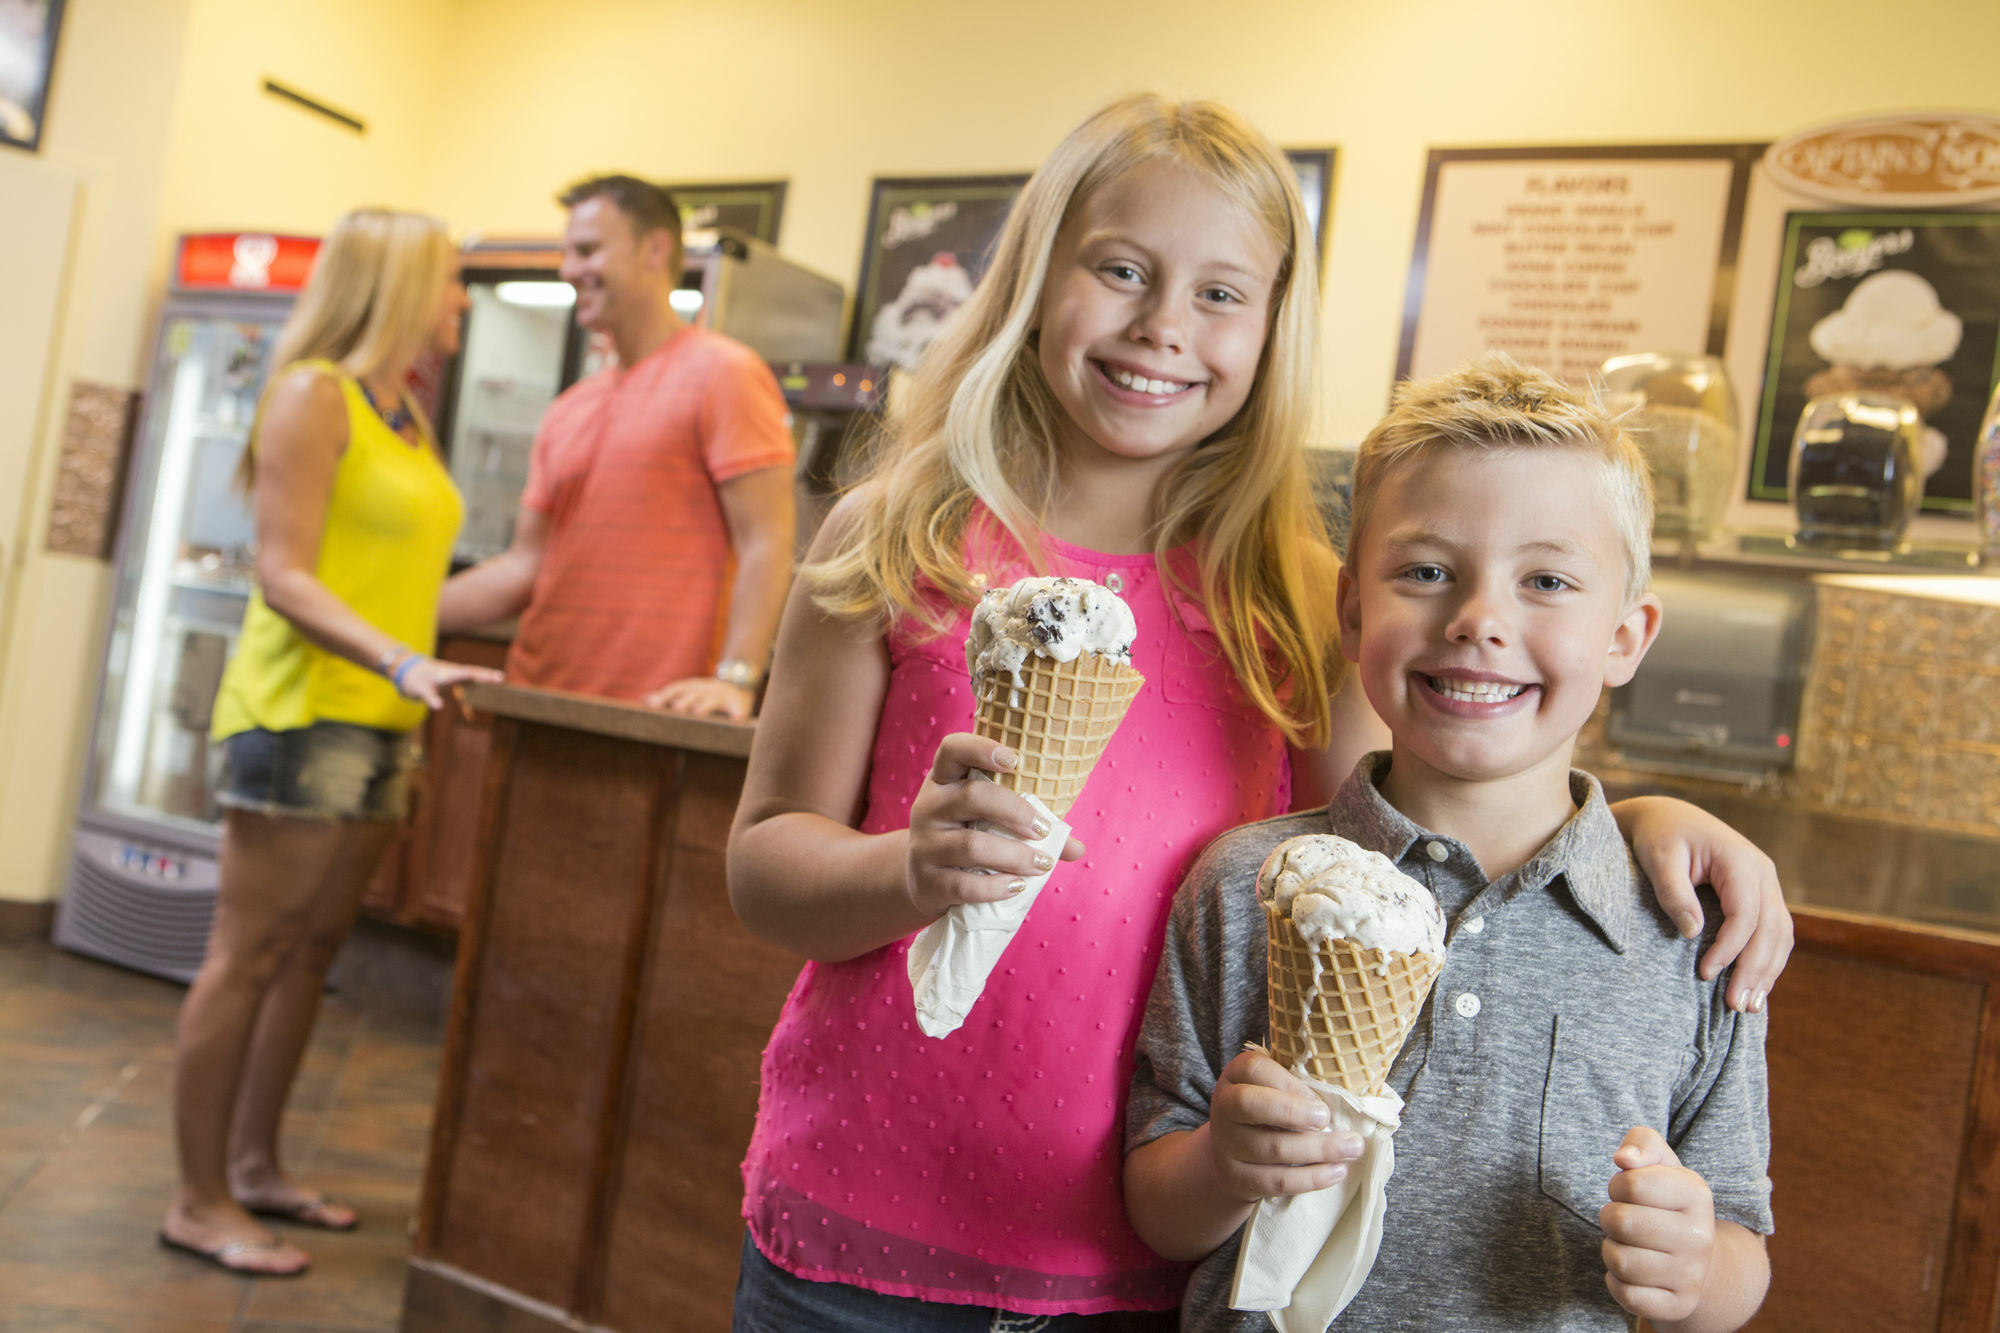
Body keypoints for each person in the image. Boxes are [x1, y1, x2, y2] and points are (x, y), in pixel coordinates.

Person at [726, 95, 1789, 1330]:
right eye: (1119, 269)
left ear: (1274, 326)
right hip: (862, 1217)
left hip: (1154, 1259)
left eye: (1222, 294)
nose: (1162, 327)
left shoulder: (1285, 594)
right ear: (1032, 275)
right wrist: (908, 871)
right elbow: (763, 862)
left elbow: (1401, 846)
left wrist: (1632, 818)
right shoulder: (896, 537)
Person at [1125, 354, 1773, 1332]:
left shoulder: (1691, 926)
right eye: (1425, 572)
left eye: (1546, 580)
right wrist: (1221, 1164)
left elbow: (1738, 1241)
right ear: (1351, 609)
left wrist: (1693, 1274)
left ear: (1625, 636)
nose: (1476, 620)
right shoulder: (1241, 884)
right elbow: (1157, 1206)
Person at [159, 209, 503, 1277]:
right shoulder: (316, 393)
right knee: (250, 954)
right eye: (448, 281)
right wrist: (404, 660)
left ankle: (256, 1168)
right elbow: (284, 572)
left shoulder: (405, 410)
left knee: (310, 955)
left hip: (380, 721)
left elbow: (416, 586)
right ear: (398, 283)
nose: (458, 301)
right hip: (300, 710)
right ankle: (197, 1198)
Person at [437, 175, 796, 720]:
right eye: (567, 254)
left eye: (587, 251)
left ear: (655, 249)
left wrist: (737, 679)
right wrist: (389, 614)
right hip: (537, 699)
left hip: (657, 713)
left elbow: (766, 541)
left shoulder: (726, 373)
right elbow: (522, 565)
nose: (569, 270)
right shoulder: (568, 408)